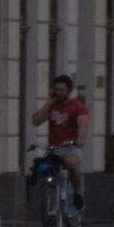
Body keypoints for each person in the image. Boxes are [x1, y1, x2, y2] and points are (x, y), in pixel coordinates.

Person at [31, 74, 89, 210]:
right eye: (56, 89)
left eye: (62, 90)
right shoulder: (52, 106)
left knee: (71, 163)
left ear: (69, 91)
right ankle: (50, 204)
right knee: (42, 170)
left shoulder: (78, 107)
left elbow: (83, 124)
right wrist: (48, 103)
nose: (58, 92)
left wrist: (79, 140)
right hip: (54, 148)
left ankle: (77, 194)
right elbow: (36, 121)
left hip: (71, 147)